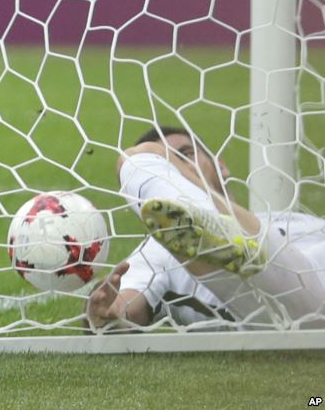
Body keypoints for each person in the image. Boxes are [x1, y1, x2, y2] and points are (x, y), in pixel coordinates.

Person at [86, 126, 325, 331]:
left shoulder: (293, 219)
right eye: (170, 163)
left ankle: (219, 225)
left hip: (289, 257)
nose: (178, 167)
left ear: (220, 165)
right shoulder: (160, 246)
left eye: (185, 154)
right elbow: (124, 307)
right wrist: (106, 311)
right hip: (295, 302)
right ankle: (216, 230)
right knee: (136, 157)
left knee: (144, 155)